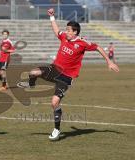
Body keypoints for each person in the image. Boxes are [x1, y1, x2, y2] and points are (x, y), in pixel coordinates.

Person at [17, 8, 119, 141]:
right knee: (33, 72)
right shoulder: (64, 37)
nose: (66, 32)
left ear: (75, 32)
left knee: (54, 103)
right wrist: (52, 17)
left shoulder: (82, 43)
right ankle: (31, 84)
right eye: (66, 29)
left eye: (68, 30)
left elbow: (98, 47)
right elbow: (56, 31)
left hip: (66, 77)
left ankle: (56, 129)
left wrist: (109, 62)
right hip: (54, 69)